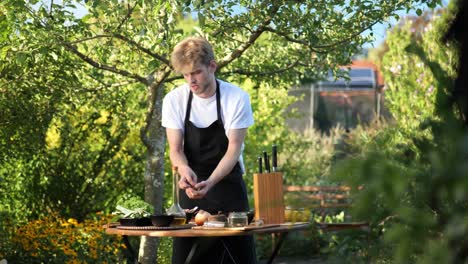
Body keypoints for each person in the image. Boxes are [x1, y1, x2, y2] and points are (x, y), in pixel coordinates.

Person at [162, 36, 257, 264]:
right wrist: (184, 171)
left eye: (196, 73)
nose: (190, 80)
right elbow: (175, 149)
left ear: (212, 66)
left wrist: (211, 182)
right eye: (185, 75)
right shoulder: (174, 100)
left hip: (229, 190)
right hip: (191, 194)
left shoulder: (236, 98)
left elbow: (233, 149)